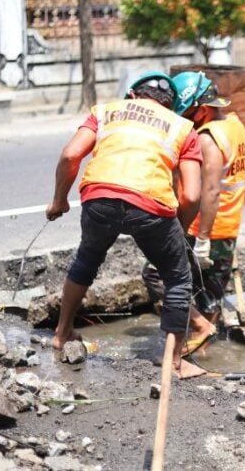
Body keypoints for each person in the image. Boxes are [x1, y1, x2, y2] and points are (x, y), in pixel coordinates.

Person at [45, 70, 207, 378]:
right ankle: (173, 362)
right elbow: (192, 194)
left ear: (132, 95)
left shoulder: (106, 111)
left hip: (99, 196)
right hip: (151, 204)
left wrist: (58, 201)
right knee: (177, 275)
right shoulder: (183, 127)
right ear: (169, 105)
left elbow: (70, 155)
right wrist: (180, 234)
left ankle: (62, 333)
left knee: (87, 260)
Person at [149, 70, 245, 356]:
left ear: (202, 108)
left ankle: (197, 331)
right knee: (210, 292)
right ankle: (205, 348)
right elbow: (244, 168)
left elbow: (210, 191)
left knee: (156, 274)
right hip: (229, 223)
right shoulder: (235, 125)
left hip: (206, 227)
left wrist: (202, 239)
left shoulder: (209, 138)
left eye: (189, 113)